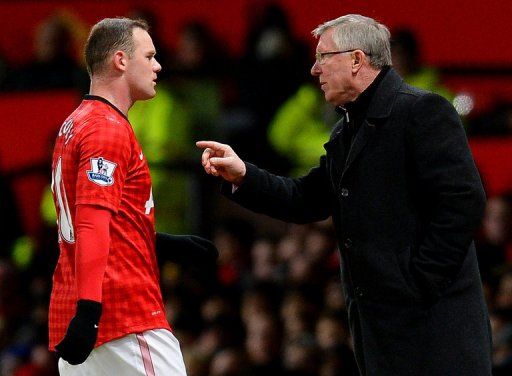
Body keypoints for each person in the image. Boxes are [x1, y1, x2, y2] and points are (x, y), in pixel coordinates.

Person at [197, 14, 492, 375]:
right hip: (381, 334)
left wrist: (417, 283)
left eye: (324, 57)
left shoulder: (422, 110)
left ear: (357, 59)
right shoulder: (346, 130)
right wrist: (244, 175)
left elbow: (463, 201)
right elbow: (306, 198)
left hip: (433, 331)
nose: (314, 70)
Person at [49, 17, 217, 375]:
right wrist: (90, 310)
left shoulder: (76, 123)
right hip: (121, 315)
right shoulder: (106, 130)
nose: (158, 65)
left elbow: (100, 219)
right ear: (121, 61)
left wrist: (158, 242)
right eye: (150, 55)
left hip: (81, 314)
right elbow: (91, 221)